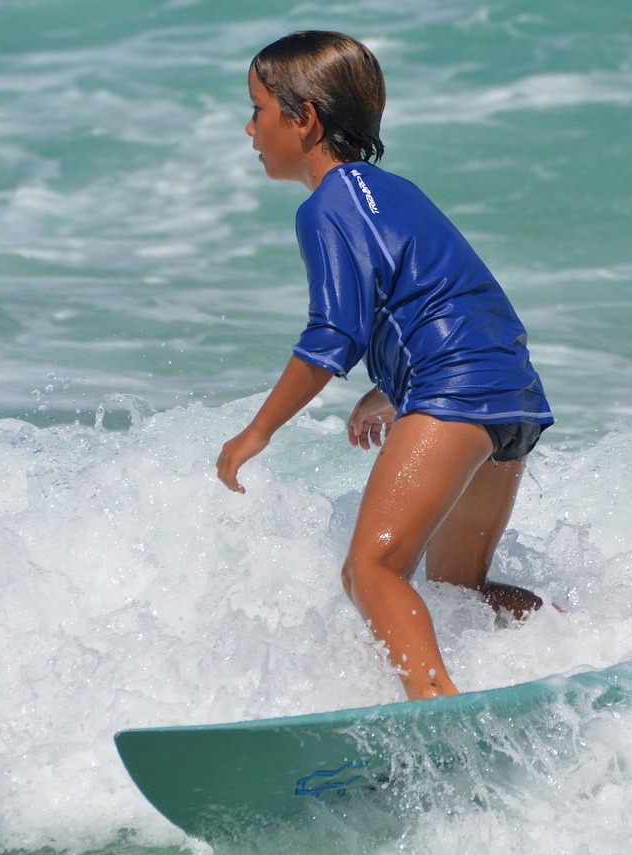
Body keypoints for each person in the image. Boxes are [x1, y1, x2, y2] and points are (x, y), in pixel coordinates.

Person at [216, 31, 554, 701]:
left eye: (257, 109)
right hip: (510, 392)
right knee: (461, 592)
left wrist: (256, 432)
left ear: (303, 117)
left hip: (454, 393)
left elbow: (330, 337)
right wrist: (389, 389)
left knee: (372, 570)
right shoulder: (394, 193)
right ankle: (589, 647)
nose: (248, 126)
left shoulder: (328, 207)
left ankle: (436, 714)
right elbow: (445, 300)